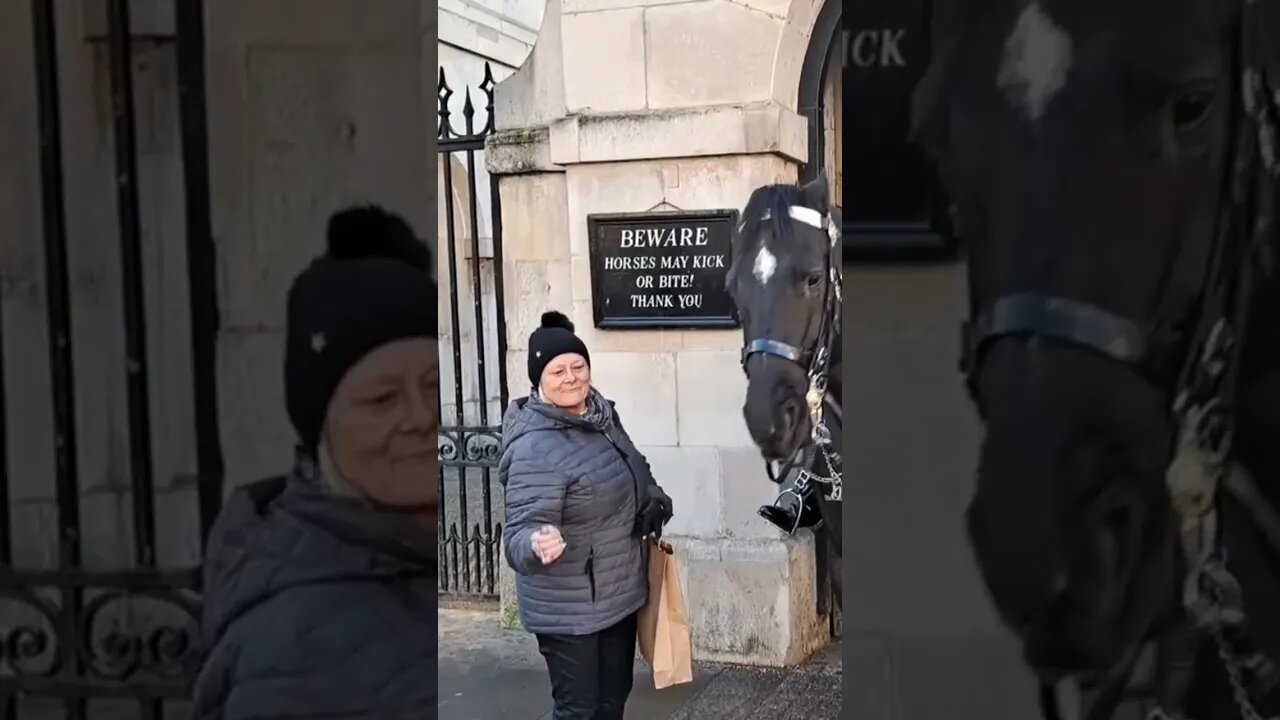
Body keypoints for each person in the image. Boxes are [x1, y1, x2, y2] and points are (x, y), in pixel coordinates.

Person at [192, 204, 437, 719]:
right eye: (382, 399)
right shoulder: (298, 652)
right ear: (319, 427)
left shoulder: (405, 553)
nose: (420, 417)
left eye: (436, 388)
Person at [499, 310, 675, 720]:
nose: (571, 377)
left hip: (618, 590)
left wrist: (651, 495)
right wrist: (536, 544)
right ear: (538, 380)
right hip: (568, 605)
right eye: (557, 370)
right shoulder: (534, 447)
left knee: (613, 700)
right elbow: (518, 536)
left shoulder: (602, 416)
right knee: (579, 710)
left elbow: (634, 464)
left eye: (578, 366)